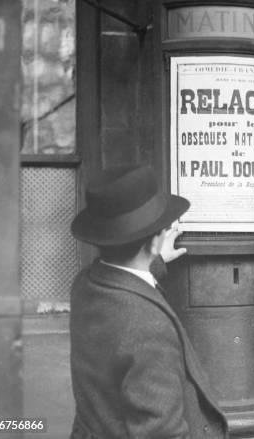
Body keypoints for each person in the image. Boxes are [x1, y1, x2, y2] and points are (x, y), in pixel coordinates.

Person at [69, 165, 228, 439]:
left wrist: (156, 259)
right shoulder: (149, 326)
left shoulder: (85, 285)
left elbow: (122, 283)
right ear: (155, 242)